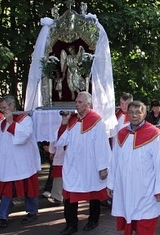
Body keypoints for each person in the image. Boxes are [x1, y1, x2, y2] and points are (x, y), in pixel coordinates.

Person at [107, 101, 160, 235]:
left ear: (145, 114)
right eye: (131, 112)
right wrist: (111, 184)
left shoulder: (155, 135)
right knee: (130, 222)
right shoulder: (122, 134)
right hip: (126, 190)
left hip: (147, 191)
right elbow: (114, 161)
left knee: (145, 226)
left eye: (138, 112)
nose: (134, 115)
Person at [55, 91, 111, 234]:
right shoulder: (72, 120)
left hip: (90, 165)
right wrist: (64, 122)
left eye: (80, 102)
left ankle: (93, 220)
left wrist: (103, 167)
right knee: (70, 195)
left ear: (88, 104)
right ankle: (71, 224)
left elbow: (102, 146)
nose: (76, 104)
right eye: (76, 102)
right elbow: (61, 141)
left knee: (94, 194)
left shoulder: (97, 121)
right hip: (73, 165)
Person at [0, 95, 41, 228]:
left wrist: (11, 122)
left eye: (4, 107)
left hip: (23, 162)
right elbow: (1, 141)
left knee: (29, 187)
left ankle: (32, 212)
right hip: (9, 163)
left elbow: (24, 136)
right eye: (1, 108)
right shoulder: (3, 122)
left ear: (11, 106)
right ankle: (2, 217)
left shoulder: (25, 119)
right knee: (7, 189)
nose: (2, 110)